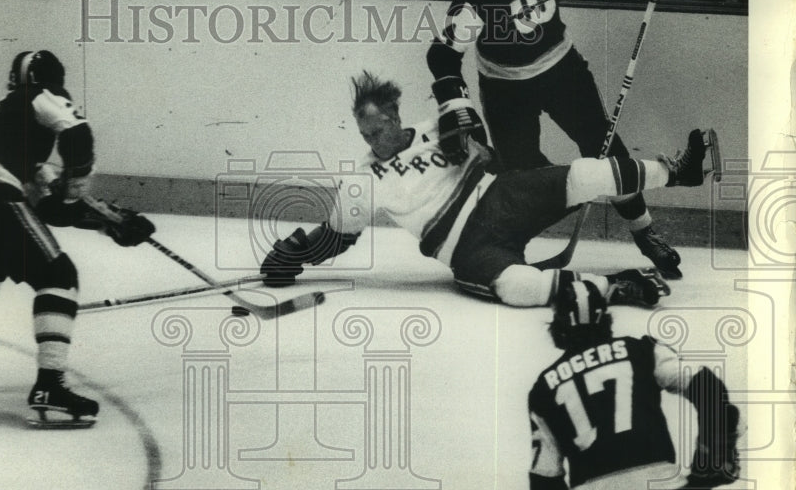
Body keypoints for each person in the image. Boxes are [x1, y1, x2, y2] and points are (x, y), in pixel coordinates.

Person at [259, 71, 722, 309]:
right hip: (466, 248)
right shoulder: (362, 180)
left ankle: (678, 171)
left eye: (378, 130)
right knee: (519, 289)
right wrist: (292, 254)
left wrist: (476, 145)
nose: (372, 142)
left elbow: (495, 159)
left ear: (396, 117)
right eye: (365, 135)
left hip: (501, 198)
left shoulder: (435, 129)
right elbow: (337, 236)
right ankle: (617, 288)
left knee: (587, 174)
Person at [427, 0, 684, 278]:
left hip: (563, 74)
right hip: (505, 89)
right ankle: (514, 245)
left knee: (606, 150)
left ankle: (646, 234)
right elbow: (443, 55)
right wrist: (456, 105)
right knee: (520, 175)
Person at [0, 50, 155, 428]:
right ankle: (49, 387)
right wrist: (76, 191)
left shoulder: (4, 124)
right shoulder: (39, 96)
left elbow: (48, 210)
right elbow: (77, 134)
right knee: (58, 275)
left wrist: (107, 222)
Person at [521, 279, 742, 490]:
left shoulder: (543, 388)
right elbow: (710, 389)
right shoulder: (643, 350)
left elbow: (546, 478)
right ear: (605, 318)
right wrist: (713, 454)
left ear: (558, 325)